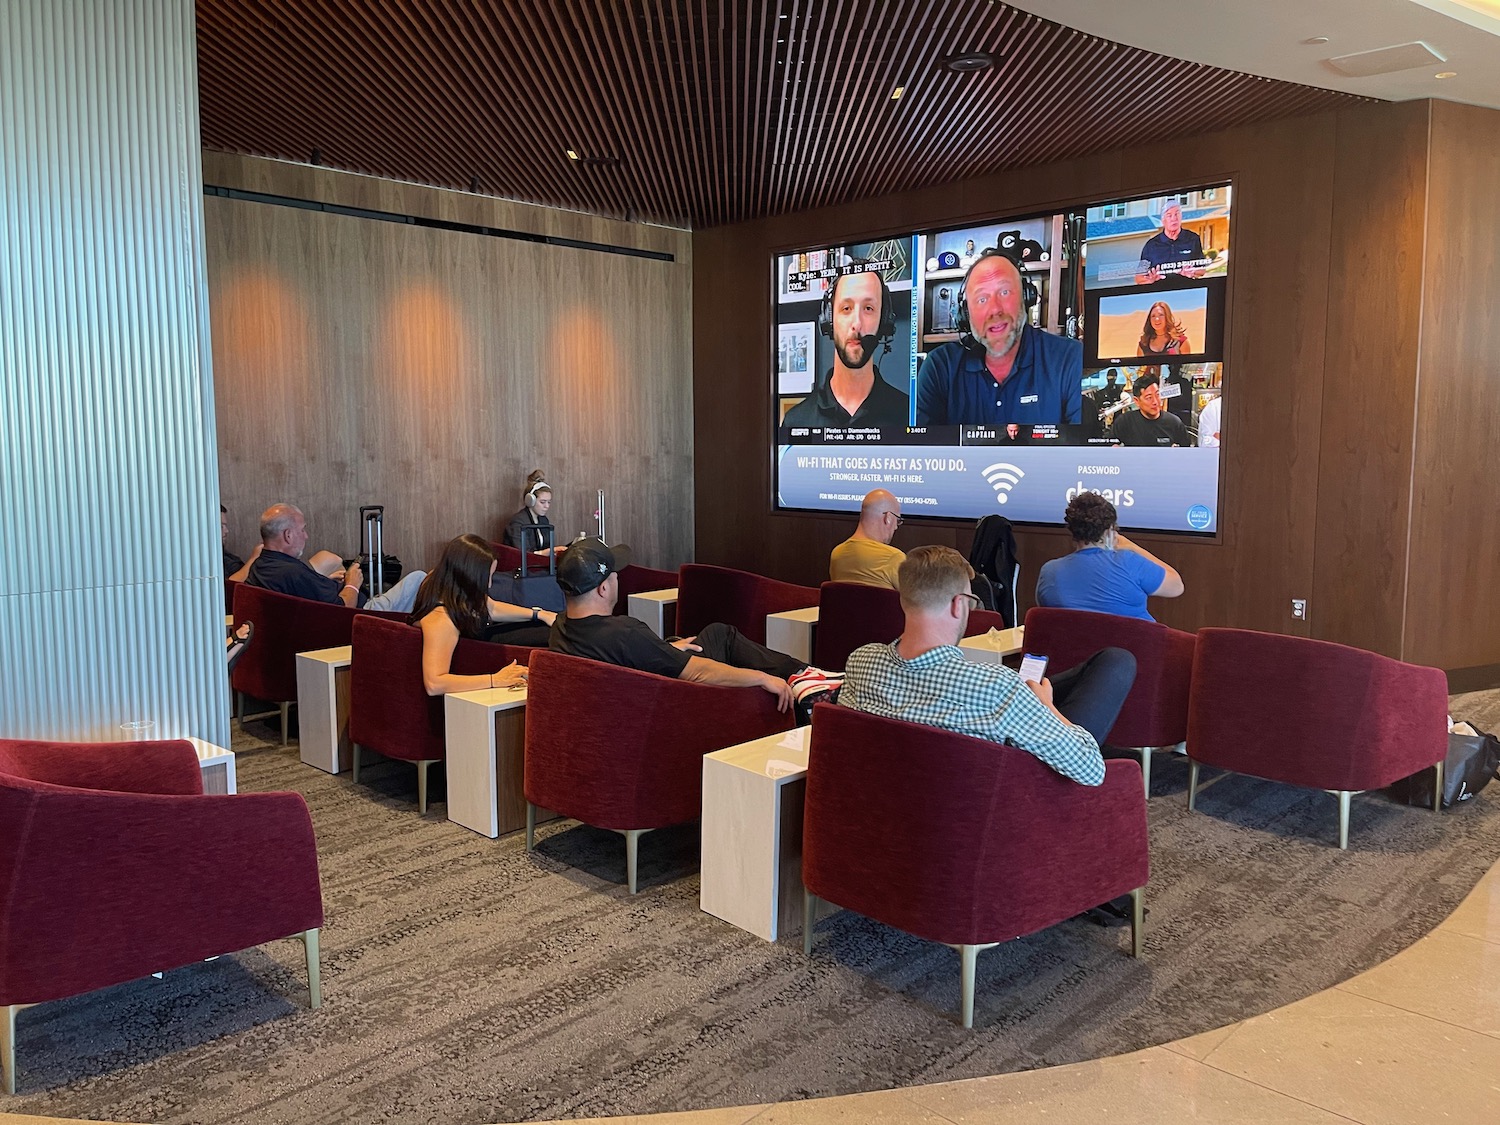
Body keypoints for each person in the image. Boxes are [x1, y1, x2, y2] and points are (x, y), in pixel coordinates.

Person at [838, 546, 1136, 785]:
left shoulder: (862, 662)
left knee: (1105, 665)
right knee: (1117, 663)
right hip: (1019, 807)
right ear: (958, 604)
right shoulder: (997, 688)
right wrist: (1048, 709)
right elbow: (1090, 768)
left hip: (896, 802)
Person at [549, 539, 842, 714]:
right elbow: (699, 673)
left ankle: (806, 677)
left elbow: (628, 657)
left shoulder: (561, 628)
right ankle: (805, 679)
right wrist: (760, 678)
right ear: (602, 589)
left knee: (713, 634)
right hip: (674, 705)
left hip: (633, 701)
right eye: (615, 575)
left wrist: (662, 649)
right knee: (723, 636)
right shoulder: (626, 633)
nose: (618, 579)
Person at [915, 250, 1083, 426]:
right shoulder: (940, 367)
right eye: (981, 299)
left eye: (1004, 292)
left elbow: (1084, 448)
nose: (995, 309)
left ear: (1026, 298)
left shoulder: (1069, 358)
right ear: (966, 314)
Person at [409, 534, 556, 696]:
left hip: (479, 634)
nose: (490, 584)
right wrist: (495, 680)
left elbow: (491, 607)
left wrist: (540, 614)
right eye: (488, 577)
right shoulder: (441, 620)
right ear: (469, 576)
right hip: (478, 652)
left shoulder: (443, 582)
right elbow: (434, 684)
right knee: (550, 634)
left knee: (548, 625)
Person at [779, 265, 910, 434]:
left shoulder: (908, 414)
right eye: (846, 308)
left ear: (884, 322)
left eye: (868, 308)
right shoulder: (796, 421)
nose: (857, 324)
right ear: (829, 319)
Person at [245, 503, 427, 613]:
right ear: (288, 535)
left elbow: (307, 592)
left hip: (334, 608)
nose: (306, 536)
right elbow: (341, 609)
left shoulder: (261, 566)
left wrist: (323, 581)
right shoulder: (291, 572)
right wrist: (352, 583)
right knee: (420, 578)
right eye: (302, 530)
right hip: (364, 615)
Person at [1035, 493, 1184, 622]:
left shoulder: (1049, 572)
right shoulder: (1129, 561)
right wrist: (1130, 545)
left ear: (1072, 530)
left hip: (1077, 652)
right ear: (1110, 531)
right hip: (1136, 651)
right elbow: (1176, 587)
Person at [829, 489, 905, 589]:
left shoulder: (837, 554)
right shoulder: (894, 558)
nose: (896, 527)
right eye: (897, 520)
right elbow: (916, 602)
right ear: (888, 518)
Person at [1110, 371, 1191, 447]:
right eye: (1149, 398)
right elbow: (1109, 445)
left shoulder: (1174, 423)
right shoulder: (1125, 421)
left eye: (1157, 395)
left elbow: (1187, 451)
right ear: (1137, 401)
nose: (1155, 402)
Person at [1134, 202, 1205, 284]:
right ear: (1163, 220)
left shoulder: (1193, 238)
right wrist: (1150, 281)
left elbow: (1202, 270)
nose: (1174, 218)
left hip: (1186, 290)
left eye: (1177, 214)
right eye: (1169, 215)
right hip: (1160, 293)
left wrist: (1192, 272)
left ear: (1181, 217)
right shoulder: (1151, 245)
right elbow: (1138, 279)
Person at [503, 471, 566, 555]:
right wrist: (544, 552)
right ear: (530, 501)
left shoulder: (544, 520)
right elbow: (523, 554)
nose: (547, 506)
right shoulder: (518, 522)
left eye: (549, 502)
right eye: (543, 502)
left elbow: (548, 547)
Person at [221, 505, 257, 583]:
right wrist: (254, 558)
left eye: (225, 526)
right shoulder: (206, 562)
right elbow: (230, 587)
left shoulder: (228, 557)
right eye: (221, 526)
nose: (226, 531)